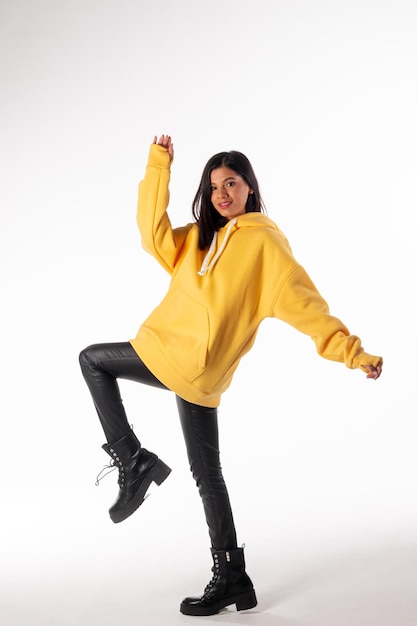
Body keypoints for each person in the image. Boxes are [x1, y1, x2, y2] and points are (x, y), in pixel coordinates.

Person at [79, 134, 382, 617]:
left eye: (232, 183)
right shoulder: (198, 238)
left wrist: (352, 352)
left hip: (181, 359)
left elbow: (305, 304)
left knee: (93, 360)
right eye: (214, 185)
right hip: (199, 372)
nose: (222, 193)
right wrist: (159, 167)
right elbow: (150, 234)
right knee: (208, 475)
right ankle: (233, 577)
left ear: (250, 190)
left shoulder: (264, 243)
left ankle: (132, 461)